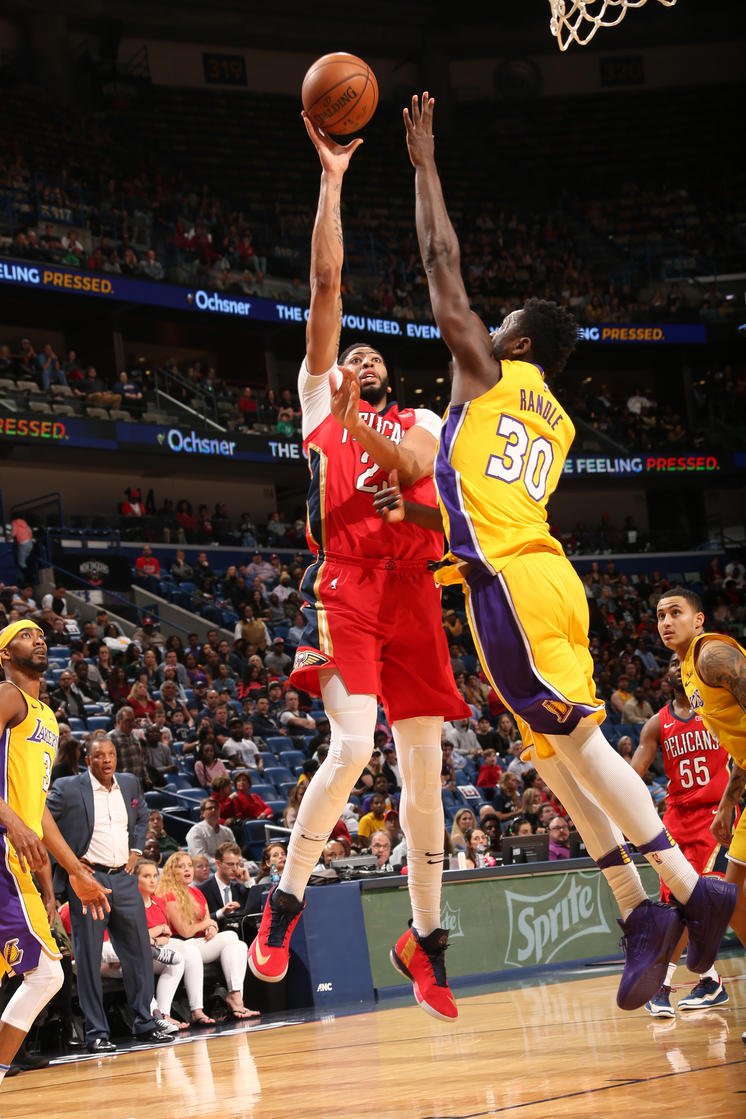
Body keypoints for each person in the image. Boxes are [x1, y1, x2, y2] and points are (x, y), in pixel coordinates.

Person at [389, 91, 736, 1013]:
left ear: (521, 342)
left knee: (579, 742)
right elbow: (487, 508)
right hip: (530, 577)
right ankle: (639, 912)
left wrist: (424, 167)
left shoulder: (491, 372)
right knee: (557, 755)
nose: (483, 328)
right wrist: (424, 520)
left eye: (500, 324)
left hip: (515, 584)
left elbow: (439, 265)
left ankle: (694, 897)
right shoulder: (558, 414)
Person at [247, 110, 469, 1024]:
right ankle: (285, 904)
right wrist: (333, 180)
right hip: (348, 582)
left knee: (428, 772)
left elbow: (424, 482)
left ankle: (426, 936)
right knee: (349, 746)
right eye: (353, 354)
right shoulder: (317, 400)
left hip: (415, 590)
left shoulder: (412, 421)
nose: (361, 358)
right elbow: (325, 284)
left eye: (374, 356)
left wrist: (382, 452)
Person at [0, 621, 109, 1087]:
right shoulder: (8, 695)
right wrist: (10, 820)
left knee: (44, 977)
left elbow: (37, 809)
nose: (38, 638)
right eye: (25, 635)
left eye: (41, 634)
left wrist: (74, 869)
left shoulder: (45, 715)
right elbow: (21, 815)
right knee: (46, 976)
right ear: (4, 653)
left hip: (19, 856)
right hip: (3, 850)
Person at [656, 586, 746, 1030]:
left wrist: (727, 798)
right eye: (660, 616)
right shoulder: (689, 672)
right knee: (734, 901)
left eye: (676, 612)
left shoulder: (712, 656)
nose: (667, 622)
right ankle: (708, 980)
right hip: (742, 787)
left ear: (699, 620)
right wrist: (730, 800)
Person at [46, 735, 171, 1052]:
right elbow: (44, 824)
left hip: (126, 879)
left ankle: (144, 1022)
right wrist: (72, 865)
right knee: (87, 959)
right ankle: (96, 1032)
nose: (107, 760)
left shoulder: (128, 783)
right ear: (87, 759)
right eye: (100, 755)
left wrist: (136, 850)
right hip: (89, 881)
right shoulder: (67, 788)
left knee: (140, 954)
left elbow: (142, 815)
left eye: (111, 754)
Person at [632, 653, 732, 1017]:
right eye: (671, 665)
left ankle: (662, 987)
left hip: (714, 818)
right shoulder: (656, 724)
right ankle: (710, 982)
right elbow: (632, 776)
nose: (677, 668)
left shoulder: (718, 710)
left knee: (696, 901)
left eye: (682, 664)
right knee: (678, 906)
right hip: (675, 819)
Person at [155, 852, 258, 1022]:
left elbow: (208, 921)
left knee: (237, 944)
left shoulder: (196, 892)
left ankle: (235, 996)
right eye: (181, 867)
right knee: (230, 936)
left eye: (189, 865)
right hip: (181, 945)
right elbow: (185, 931)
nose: (187, 870)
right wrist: (207, 924)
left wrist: (211, 926)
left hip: (198, 943)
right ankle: (197, 1010)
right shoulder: (168, 895)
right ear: (172, 871)